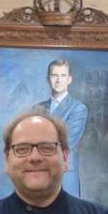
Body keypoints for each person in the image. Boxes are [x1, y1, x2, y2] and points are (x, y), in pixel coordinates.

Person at [32, 59, 88, 197]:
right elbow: (29, 141)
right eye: (54, 75)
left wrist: (38, 141)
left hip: (64, 175)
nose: (58, 80)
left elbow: (65, 142)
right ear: (48, 79)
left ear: (69, 79)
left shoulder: (78, 108)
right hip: (39, 173)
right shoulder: (37, 108)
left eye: (63, 76)